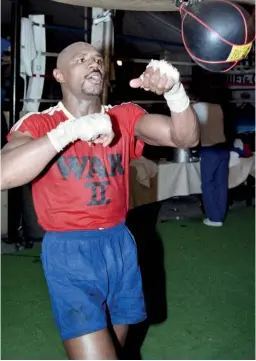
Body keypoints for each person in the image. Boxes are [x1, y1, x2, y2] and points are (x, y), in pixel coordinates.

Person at [1, 42, 199, 359]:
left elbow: (185, 138)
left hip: (119, 244)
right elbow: (3, 174)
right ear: (59, 75)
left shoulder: (124, 116)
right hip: (70, 252)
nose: (94, 64)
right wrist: (72, 130)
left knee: (118, 351)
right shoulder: (39, 124)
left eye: (97, 60)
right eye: (81, 59)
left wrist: (175, 92)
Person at [192, 101, 230, 227]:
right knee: (221, 184)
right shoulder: (218, 106)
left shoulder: (196, 107)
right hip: (224, 148)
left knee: (208, 184)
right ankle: (219, 217)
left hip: (209, 150)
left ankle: (213, 218)